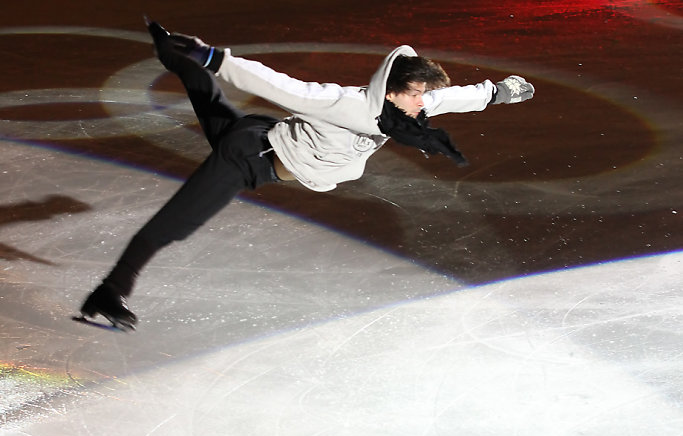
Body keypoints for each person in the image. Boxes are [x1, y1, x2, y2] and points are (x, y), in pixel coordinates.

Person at [79, 20, 535, 329]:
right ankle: (109, 292)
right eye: (417, 95)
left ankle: (170, 51)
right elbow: (278, 85)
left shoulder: (406, 108)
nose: (424, 104)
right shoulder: (347, 104)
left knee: (212, 107)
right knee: (176, 223)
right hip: (247, 157)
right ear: (392, 91)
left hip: (264, 144)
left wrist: (497, 92)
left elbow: (451, 98)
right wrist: (213, 55)